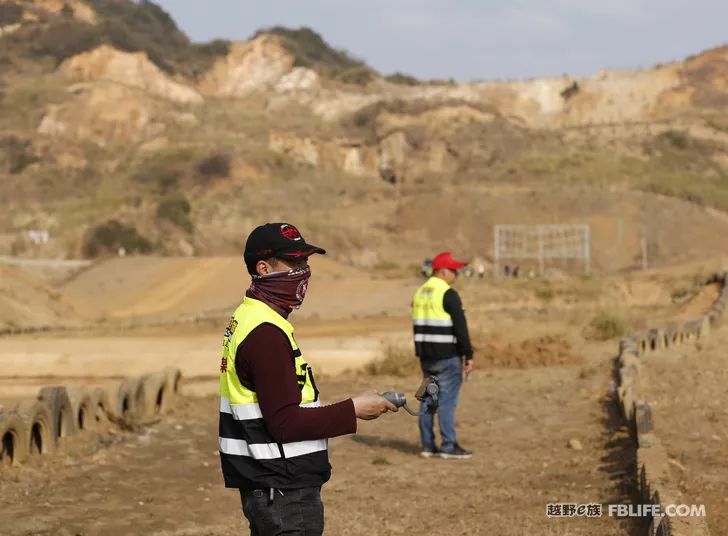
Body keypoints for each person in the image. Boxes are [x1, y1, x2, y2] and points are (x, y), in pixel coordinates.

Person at [218, 222, 397, 536]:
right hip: (284, 492)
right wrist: (353, 408)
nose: (303, 272)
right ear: (263, 268)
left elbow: (281, 405)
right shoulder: (265, 334)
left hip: (270, 486)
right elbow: (284, 423)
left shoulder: (250, 318)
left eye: (305, 262)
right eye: (294, 263)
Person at [411, 251, 474, 459]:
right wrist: (468, 355)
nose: (456, 274)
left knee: (428, 399)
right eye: (453, 270)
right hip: (447, 356)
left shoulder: (420, 292)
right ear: (442, 271)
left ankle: (428, 446)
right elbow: (461, 328)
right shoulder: (448, 293)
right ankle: (449, 445)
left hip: (426, 357)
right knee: (447, 401)